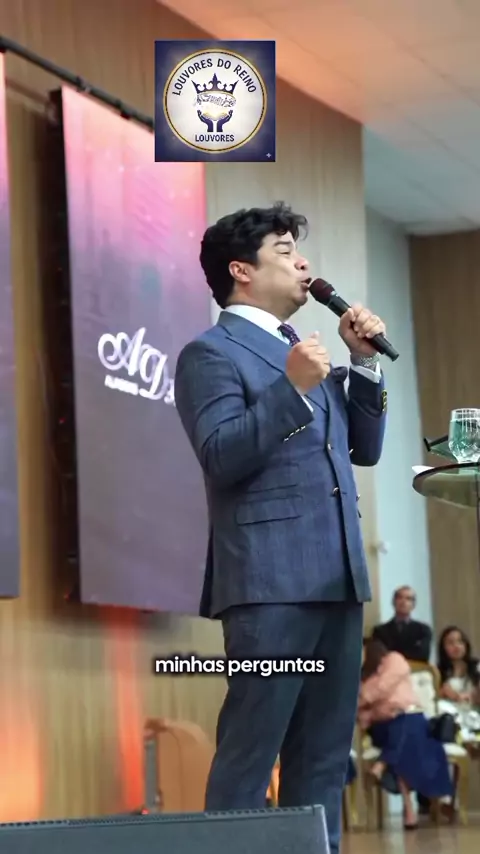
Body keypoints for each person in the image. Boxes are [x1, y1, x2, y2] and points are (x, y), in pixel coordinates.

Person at [174, 202, 388, 854]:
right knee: (251, 749)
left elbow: (363, 449)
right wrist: (290, 390)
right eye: (287, 251)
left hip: (337, 577)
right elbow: (221, 453)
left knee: (323, 756)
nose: (304, 265)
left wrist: (363, 364)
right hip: (270, 583)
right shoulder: (210, 353)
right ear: (241, 270)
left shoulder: (303, 353)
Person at [358, 639, 453, 829]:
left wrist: (369, 699)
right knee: (404, 726)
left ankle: (406, 804)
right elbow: (360, 709)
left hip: (410, 718)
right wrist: (385, 707)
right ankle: (432, 800)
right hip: (384, 725)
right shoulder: (359, 675)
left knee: (405, 736)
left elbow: (381, 687)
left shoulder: (394, 660)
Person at [372, 586, 432, 662]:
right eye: (400, 598)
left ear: (413, 605)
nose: (403, 602)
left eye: (408, 599)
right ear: (393, 602)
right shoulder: (380, 631)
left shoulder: (423, 630)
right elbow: (379, 657)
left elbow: (423, 656)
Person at [438, 625, 480, 715]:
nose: (456, 646)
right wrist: (450, 694)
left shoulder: (476, 666)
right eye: (450, 643)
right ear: (443, 648)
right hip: (450, 715)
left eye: (460, 641)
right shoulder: (438, 671)